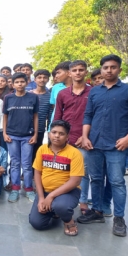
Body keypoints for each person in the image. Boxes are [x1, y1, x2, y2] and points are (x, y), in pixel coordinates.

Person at [77, 54, 128, 237]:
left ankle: (119, 218)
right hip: (94, 144)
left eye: (113, 67)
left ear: (119, 69)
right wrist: (84, 137)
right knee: (97, 179)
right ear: (101, 69)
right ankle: (98, 212)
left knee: (117, 182)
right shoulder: (94, 91)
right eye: (105, 67)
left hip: (118, 145)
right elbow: (88, 115)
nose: (109, 70)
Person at [29, 120, 84, 236]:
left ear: (67, 136)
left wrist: (52, 196)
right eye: (54, 132)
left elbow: (75, 181)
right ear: (49, 134)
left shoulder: (75, 153)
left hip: (68, 192)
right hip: (45, 191)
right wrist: (41, 198)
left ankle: (68, 220)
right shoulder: (42, 149)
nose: (57, 136)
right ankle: (55, 212)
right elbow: (37, 173)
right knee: (37, 223)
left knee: (60, 206)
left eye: (61, 133)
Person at [54, 61, 92, 214]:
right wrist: (55, 137)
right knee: (61, 170)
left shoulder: (93, 92)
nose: (77, 73)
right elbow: (58, 116)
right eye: (74, 70)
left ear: (85, 72)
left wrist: (85, 136)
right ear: (69, 73)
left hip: (84, 140)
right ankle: (60, 197)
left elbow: (95, 117)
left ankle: (83, 201)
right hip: (64, 139)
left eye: (81, 70)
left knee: (83, 172)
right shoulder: (62, 93)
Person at [3, 72, 39, 203]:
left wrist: (35, 134)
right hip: (12, 135)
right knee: (15, 163)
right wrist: (4, 133)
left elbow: (35, 116)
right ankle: (15, 189)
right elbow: (5, 116)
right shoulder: (8, 98)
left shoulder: (33, 97)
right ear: (12, 84)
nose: (19, 84)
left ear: (27, 82)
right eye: (17, 82)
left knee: (27, 164)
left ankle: (29, 189)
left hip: (28, 136)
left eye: (22, 82)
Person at [30, 70, 52, 164]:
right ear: (35, 80)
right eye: (39, 77)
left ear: (48, 79)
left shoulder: (50, 96)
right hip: (26, 128)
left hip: (40, 128)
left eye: (44, 77)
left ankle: (35, 172)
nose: (42, 80)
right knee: (27, 151)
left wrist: (50, 128)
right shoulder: (29, 94)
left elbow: (50, 114)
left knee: (37, 151)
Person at [49, 61, 72, 127]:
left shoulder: (86, 88)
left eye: (58, 73)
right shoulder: (55, 87)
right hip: (56, 124)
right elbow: (54, 106)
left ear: (68, 73)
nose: (56, 76)